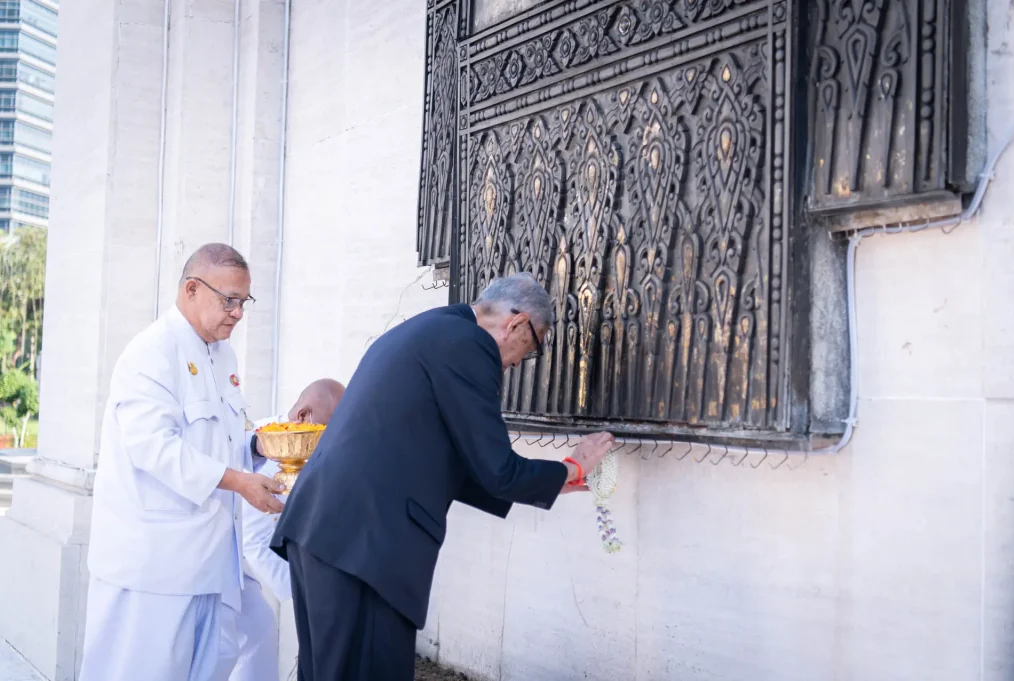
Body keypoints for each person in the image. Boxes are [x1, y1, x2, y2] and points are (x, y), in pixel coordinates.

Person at [270, 273, 615, 681]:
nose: (520, 362)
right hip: (365, 546)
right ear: (517, 323)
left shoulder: (427, 329)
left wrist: (559, 481)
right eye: (531, 348)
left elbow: (451, 457)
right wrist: (571, 469)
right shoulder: (470, 345)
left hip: (323, 530)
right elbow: (495, 467)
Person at [80, 244, 285, 681]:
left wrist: (259, 447)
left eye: (243, 302)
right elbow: (155, 448)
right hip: (157, 565)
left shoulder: (222, 354)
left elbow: (218, 437)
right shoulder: (151, 352)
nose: (238, 313)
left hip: (212, 558)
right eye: (228, 300)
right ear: (192, 289)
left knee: (230, 652)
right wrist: (240, 482)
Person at [228, 378, 346, 681]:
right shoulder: (271, 445)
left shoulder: (313, 448)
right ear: (303, 416)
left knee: (258, 634)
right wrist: (303, 591)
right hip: (229, 566)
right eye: (326, 428)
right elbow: (254, 541)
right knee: (251, 637)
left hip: (262, 567)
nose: (330, 439)